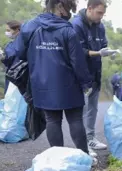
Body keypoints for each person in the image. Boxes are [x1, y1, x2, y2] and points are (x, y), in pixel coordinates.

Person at [14, 0, 94, 161]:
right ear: (59, 6)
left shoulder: (30, 26)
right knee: (75, 119)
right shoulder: (68, 31)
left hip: (41, 83)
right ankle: (85, 159)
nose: (70, 12)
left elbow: (19, 53)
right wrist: (86, 83)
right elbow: (77, 62)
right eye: (69, 8)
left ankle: (58, 160)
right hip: (68, 83)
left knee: (52, 120)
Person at [71, 0, 115, 156]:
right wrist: (98, 53)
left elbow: (103, 44)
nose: (101, 17)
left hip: (96, 71)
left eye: (103, 13)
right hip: (81, 73)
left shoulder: (100, 26)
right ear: (89, 9)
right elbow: (78, 51)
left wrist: (109, 52)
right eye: (99, 13)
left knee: (93, 107)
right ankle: (82, 145)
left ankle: (90, 138)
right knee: (82, 109)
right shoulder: (76, 25)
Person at [0, 20, 21, 94]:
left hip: (19, 77)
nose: (6, 32)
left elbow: (13, 57)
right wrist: (2, 57)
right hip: (11, 76)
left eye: (8, 30)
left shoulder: (23, 44)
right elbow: (7, 61)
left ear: (17, 30)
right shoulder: (10, 44)